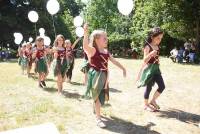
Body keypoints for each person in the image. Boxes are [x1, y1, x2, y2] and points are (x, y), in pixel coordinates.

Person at [83, 24, 126, 128]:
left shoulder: (106, 52)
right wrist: (85, 33)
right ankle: (98, 118)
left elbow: (114, 61)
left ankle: (95, 107)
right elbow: (85, 46)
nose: (107, 40)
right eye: (105, 38)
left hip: (104, 76)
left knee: (100, 96)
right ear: (97, 40)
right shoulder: (93, 50)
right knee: (97, 96)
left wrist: (123, 68)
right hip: (96, 75)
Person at [137, 27, 165, 112]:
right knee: (148, 87)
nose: (159, 40)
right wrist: (151, 54)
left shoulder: (157, 46)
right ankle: (145, 105)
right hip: (149, 69)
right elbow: (145, 60)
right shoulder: (147, 46)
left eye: (161, 38)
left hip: (156, 69)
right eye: (158, 38)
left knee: (162, 86)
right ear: (152, 37)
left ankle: (153, 101)